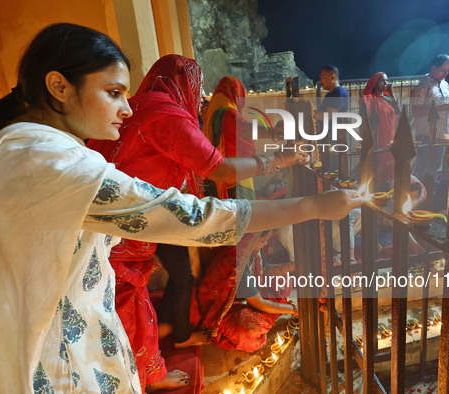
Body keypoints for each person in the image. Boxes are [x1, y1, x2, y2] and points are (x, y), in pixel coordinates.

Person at [0, 23, 363, 393]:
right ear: (58, 87)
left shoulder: (22, 146)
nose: (127, 108)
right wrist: (311, 204)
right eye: (113, 93)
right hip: (34, 354)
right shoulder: (54, 162)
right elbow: (194, 213)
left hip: (32, 326)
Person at [86, 55, 307, 388]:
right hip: (129, 230)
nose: (201, 96)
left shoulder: (139, 107)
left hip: (118, 222)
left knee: (128, 301)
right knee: (129, 304)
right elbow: (218, 168)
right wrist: (278, 160)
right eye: (199, 86)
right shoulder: (167, 114)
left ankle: (151, 363)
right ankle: (148, 372)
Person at [196, 231, 296, 352]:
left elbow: (265, 268)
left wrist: (290, 267)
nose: (265, 244)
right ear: (251, 239)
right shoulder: (240, 264)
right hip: (224, 307)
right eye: (263, 241)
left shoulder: (252, 248)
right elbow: (259, 303)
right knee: (252, 333)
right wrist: (292, 309)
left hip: (247, 297)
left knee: (283, 281)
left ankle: (271, 311)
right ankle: (267, 313)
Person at [411, 54, 449, 182]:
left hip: (442, 133)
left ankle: (431, 191)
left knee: (435, 166)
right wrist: (440, 108)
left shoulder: (445, 85)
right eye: (444, 70)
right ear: (434, 68)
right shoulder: (422, 85)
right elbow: (416, 111)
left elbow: (444, 105)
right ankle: (420, 194)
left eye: (448, 70)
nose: (446, 73)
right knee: (423, 168)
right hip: (427, 133)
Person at [361, 72, 401, 187]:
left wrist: (392, 93)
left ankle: (388, 186)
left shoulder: (388, 98)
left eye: (386, 81)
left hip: (390, 134)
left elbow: (398, 111)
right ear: (375, 83)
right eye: (383, 81)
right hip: (378, 135)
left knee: (389, 159)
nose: (386, 83)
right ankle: (377, 187)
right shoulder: (369, 99)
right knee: (378, 160)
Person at [315, 65, 350, 171]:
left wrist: (310, 113)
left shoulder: (338, 93)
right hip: (327, 138)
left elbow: (327, 116)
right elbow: (321, 112)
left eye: (323, 76)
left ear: (333, 77)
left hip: (334, 139)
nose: (321, 80)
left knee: (332, 169)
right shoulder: (329, 95)